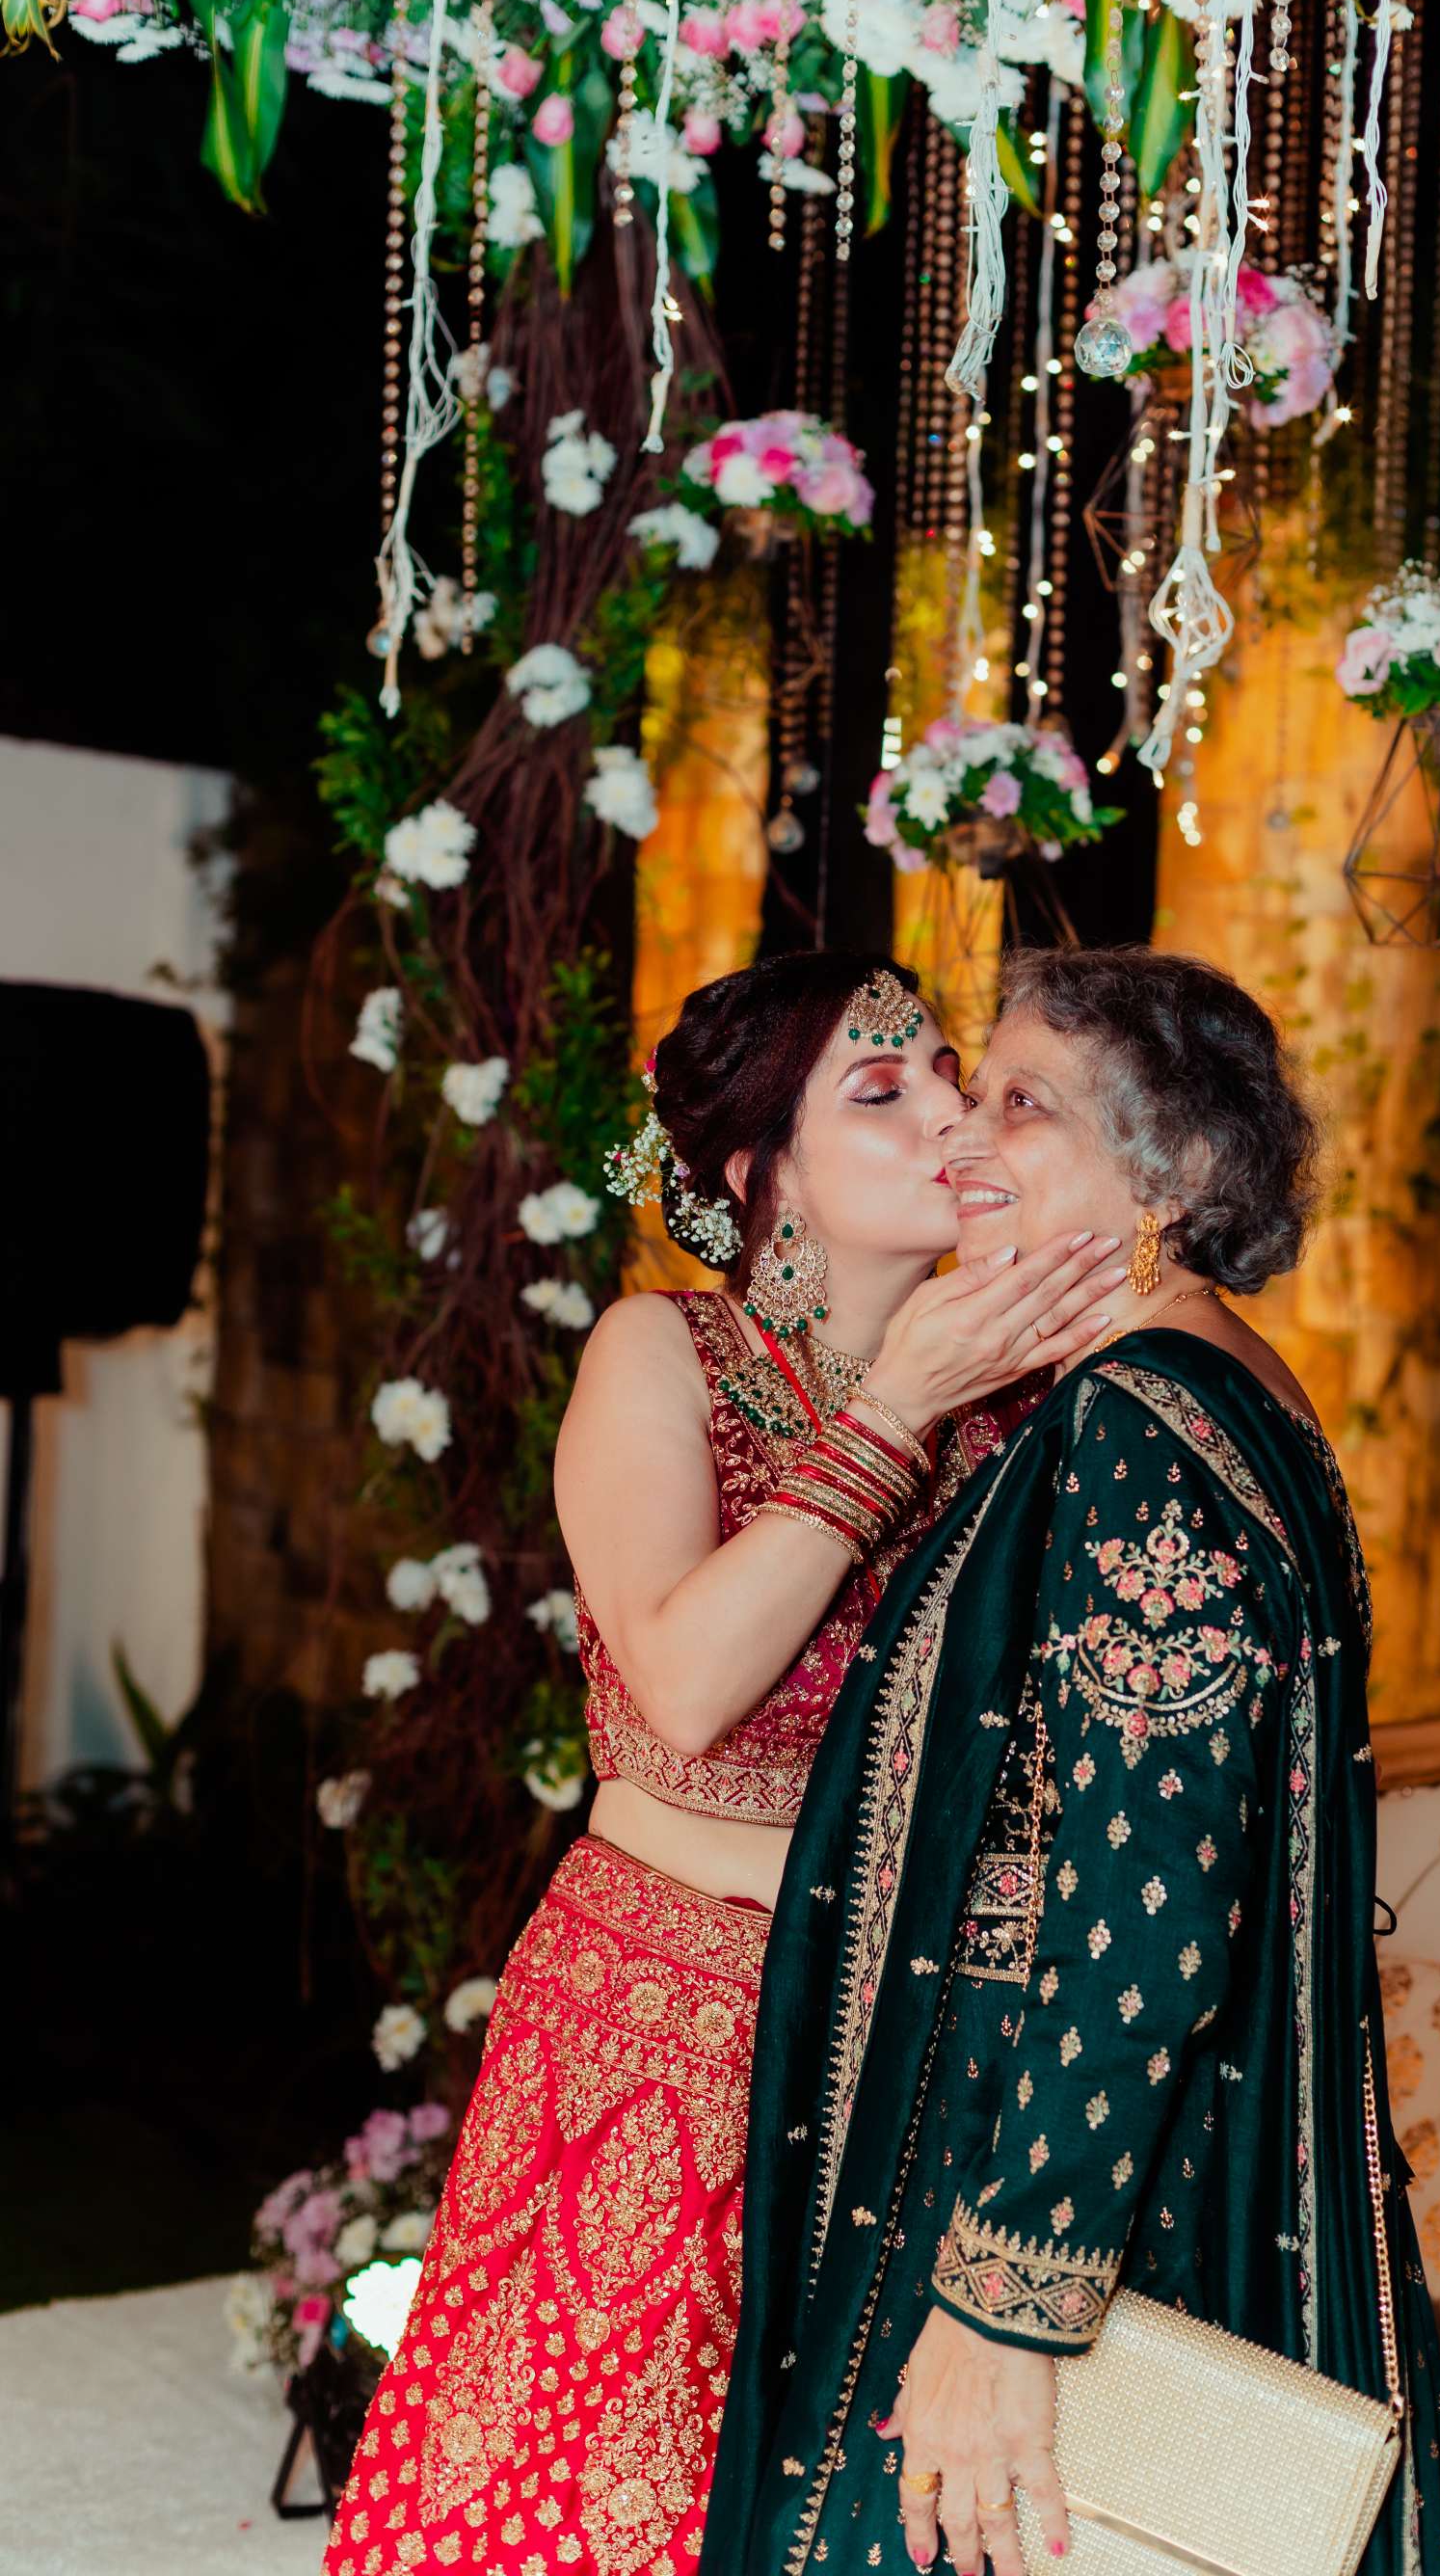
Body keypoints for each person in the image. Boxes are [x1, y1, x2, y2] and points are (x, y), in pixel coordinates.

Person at [321, 953, 1126, 2576]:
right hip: (659, 2017)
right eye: (881, 1091)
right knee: (594, 2495)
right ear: (764, 1178)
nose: (953, 1114)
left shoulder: (1014, 1411)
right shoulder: (664, 1356)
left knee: (837, 2503)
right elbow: (683, 1686)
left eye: (953, 1076)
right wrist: (887, 1411)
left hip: (900, 2024)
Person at [707, 946, 1440, 2576]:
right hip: (1118, 2144)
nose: (963, 1141)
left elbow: (1150, 1907)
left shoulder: (1139, 1423)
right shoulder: (1223, 1399)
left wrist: (1004, 2312)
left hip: (1052, 2176)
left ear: (1176, 1173)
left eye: (1022, 1104)